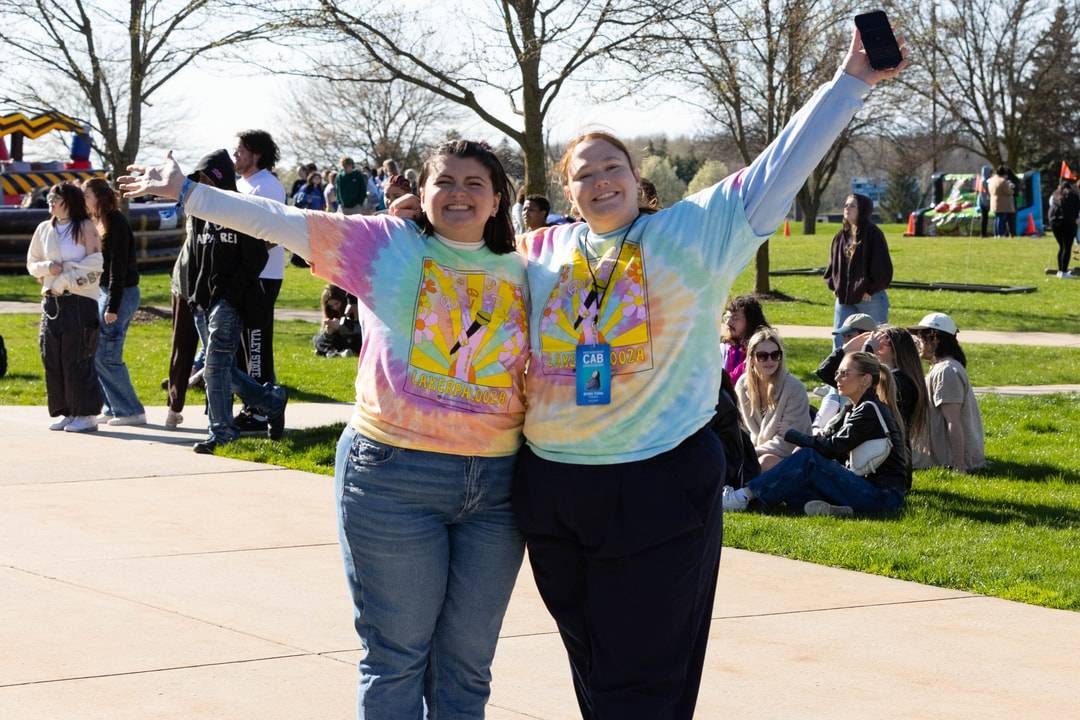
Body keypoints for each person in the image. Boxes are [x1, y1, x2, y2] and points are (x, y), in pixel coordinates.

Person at [512, 26, 905, 719]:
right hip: (555, 489)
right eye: (584, 173)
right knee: (596, 669)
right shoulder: (539, 252)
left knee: (643, 680)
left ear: (639, 179)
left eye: (614, 168)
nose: (601, 181)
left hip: (656, 484)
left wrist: (849, 82)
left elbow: (781, 164)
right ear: (566, 192)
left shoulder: (694, 232)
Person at [119, 139, 529, 718]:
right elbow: (278, 219)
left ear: (496, 200)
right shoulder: (382, 244)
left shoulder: (527, 271)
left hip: (497, 490)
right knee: (396, 658)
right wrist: (188, 192)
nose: (458, 194)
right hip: (393, 479)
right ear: (423, 191)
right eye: (446, 182)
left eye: (474, 184)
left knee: (468, 666)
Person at [181, 149, 287, 454]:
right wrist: (193, 295)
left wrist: (232, 293)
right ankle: (272, 401)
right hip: (202, 300)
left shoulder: (242, 208)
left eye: (204, 178)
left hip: (231, 300)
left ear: (218, 178)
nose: (199, 184)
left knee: (214, 367)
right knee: (222, 367)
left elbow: (256, 256)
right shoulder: (198, 213)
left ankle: (223, 432)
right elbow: (194, 258)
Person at [723, 351, 910, 518]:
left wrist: (792, 435)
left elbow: (832, 447)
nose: (837, 378)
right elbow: (827, 438)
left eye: (844, 373)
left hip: (884, 497)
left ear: (865, 380)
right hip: (866, 489)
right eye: (838, 373)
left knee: (808, 458)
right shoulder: (853, 408)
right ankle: (836, 509)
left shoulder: (869, 410)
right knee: (798, 471)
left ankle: (742, 497)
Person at [26, 182, 104, 432]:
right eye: (48, 198)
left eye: (55, 198)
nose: (50, 202)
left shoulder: (86, 226)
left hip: (80, 300)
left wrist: (64, 280)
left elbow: (95, 264)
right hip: (51, 302)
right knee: (53, 356)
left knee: (78, 356)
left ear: (68, 201)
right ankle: (66, 410)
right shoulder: (43, 229)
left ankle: (87, 413)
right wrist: (48, 268)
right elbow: (32, 262)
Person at [233, 129, 288, 435]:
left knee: (256, 344)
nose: (235, 154)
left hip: (263, 275)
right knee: (241, 346)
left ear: (256, 154)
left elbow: (269, 234)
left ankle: (262, 409)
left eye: (240, 150)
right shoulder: (242, 184)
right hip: (242, 276)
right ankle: (252, 405)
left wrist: (247, 261)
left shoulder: (267, 186)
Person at [83, 178, 146, 426]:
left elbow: (118, 268)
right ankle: (113, 406)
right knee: (99, 351)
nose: (84, 200)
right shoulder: (99, 221)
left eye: (86, 195)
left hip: (120, 293)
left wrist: (112, 306)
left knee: (107, 354)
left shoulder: (116, 221)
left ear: (99, 197)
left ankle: (130, 411)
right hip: (106, 292)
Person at [909, 312, 985, 473]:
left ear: (935, 338)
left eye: (921, 337)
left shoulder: (947, 371)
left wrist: (959, 466)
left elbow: (954, 422)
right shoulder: (942, 367)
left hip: (947, 459)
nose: (919, 343)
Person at [735, 328, 811, 471]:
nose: (770, 361)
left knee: (766, 462)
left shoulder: (794, 389)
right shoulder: (742, 386)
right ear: (752, 359)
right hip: (754, 452)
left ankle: (741, 493)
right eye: (763, 356)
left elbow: (789, 441)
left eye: (775, 355)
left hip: (793, 456)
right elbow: (741, 431)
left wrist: (749, 455)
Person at [824, 192, 892, 348]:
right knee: (840, 339)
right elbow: (833, 266)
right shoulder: (840, 236)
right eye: (846, 205)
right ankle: (838, 371)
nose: (847, 208)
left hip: (870, 298)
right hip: (844, 298)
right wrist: (834, 286)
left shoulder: (873, 233)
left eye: (853, 205)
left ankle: (879, 372)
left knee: (876, 341)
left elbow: (883, 267)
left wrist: (870, 289)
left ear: (863, 210)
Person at [719, 294, 769, 385]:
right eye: (727, 317)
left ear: (751, 321)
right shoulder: (724, 348)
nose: (728, 322)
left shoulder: (762, 350)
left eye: (735, 318)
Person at [312, 284, 362, 357]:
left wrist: (340, 327)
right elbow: (318, 339)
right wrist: (328, 333)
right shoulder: (332, 314)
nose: (335, 308)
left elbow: (359, 332)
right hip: (339, 342)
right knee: (320, 340)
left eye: (337, 304)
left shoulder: (354, 310)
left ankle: (330, 352)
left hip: (354, 340)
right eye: (331, 306)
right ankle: (334, 353)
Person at [1048, 180, 1079, 278]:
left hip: (1054, 222)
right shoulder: (1074, 195)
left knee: (1062, 247)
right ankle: (1063, 272)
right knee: (1067, 247)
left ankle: (1060, 271)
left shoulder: (1054, 195)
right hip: (1067, 223)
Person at [987, 166, 1016, 237]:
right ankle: (1000, 233)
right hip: (1002, 203)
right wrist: (1012, 189)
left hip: (994, 201)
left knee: (997, 218)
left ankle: (996, 233)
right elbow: (1008, 191)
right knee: (1001, 219)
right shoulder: (1002, 181)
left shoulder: (991, 180)